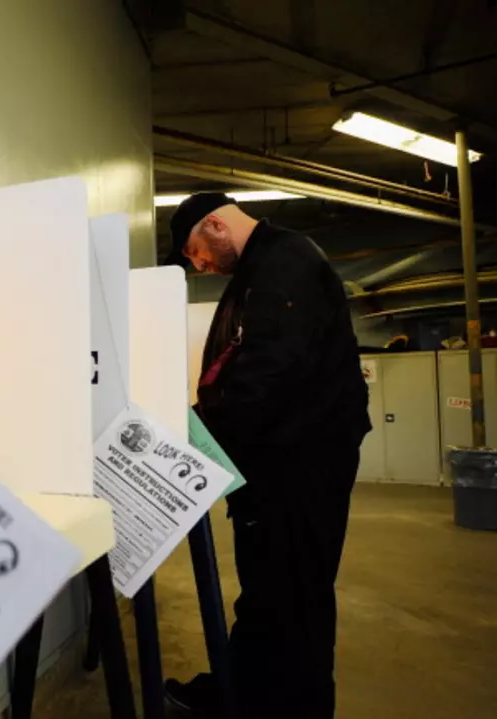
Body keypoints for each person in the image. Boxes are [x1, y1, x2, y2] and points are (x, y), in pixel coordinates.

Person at [163, 193, 371, 718]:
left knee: (294, 597)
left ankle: (288, 707)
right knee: (267, 594)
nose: (199, 265)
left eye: (194, 252)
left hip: (300, 468)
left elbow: (265, 370)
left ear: (215, 224)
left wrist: (195, 438)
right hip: (276, 467)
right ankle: (239, 694)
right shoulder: (263, 268)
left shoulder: (285, 261)